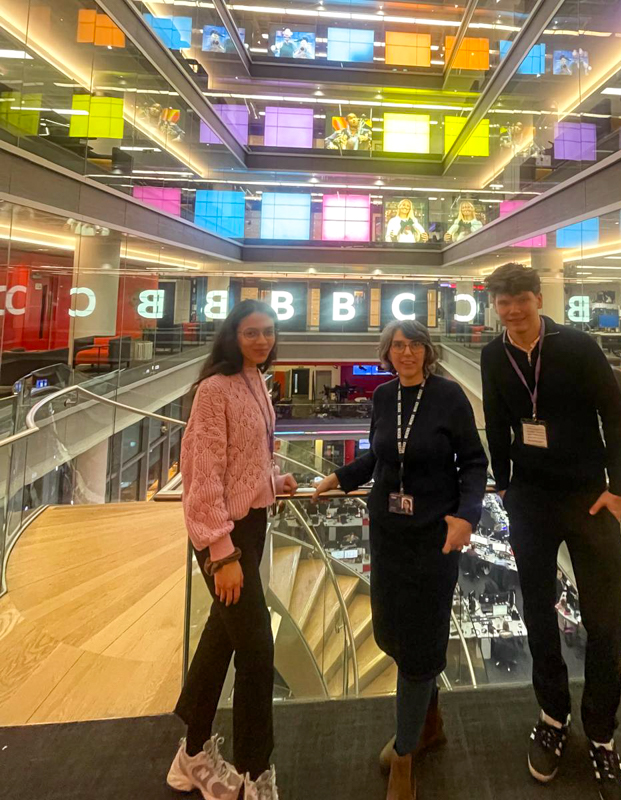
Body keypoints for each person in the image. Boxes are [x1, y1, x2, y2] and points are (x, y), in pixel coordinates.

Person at [312, 320, 487, 800]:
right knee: (390, 630)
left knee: (423, 641)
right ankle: (430, 724)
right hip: (388, 536)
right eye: (397, 346)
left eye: (414, 346)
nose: (405, 353)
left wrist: (465, 516)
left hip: (435, 536)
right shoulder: (385, 396)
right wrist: (339, 478)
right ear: (387, 353)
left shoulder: (450, 397)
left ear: (427, 352)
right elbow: (380, 459)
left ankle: (406, 752)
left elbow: (474, 462)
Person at [480, 263, 621, 800]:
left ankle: (602, 733)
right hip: (531, 500)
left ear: (538, 298)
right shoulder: (493, 354)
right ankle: (553, 714)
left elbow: (614, 415)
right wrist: (504, 482)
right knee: (539, 613)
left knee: (604, 618)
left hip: (589, 498)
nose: (513, 309)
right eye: (503, 301)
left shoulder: (577, 346)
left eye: (521, 298)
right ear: (495, 306)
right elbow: (497, 420)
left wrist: (620, 488)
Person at [168, 299, 298, 800]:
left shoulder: (255, 382)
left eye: (268, 332)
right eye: (251, 333)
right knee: (257, 650)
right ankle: (254, 769)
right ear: (232, 336)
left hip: (251, 524)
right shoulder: (213, 390)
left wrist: (272, 480)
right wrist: (222, 554)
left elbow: (245, 459)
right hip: (223, 537)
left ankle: (193, 754)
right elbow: (204, 475)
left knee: (220, 640)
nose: (262, 340)